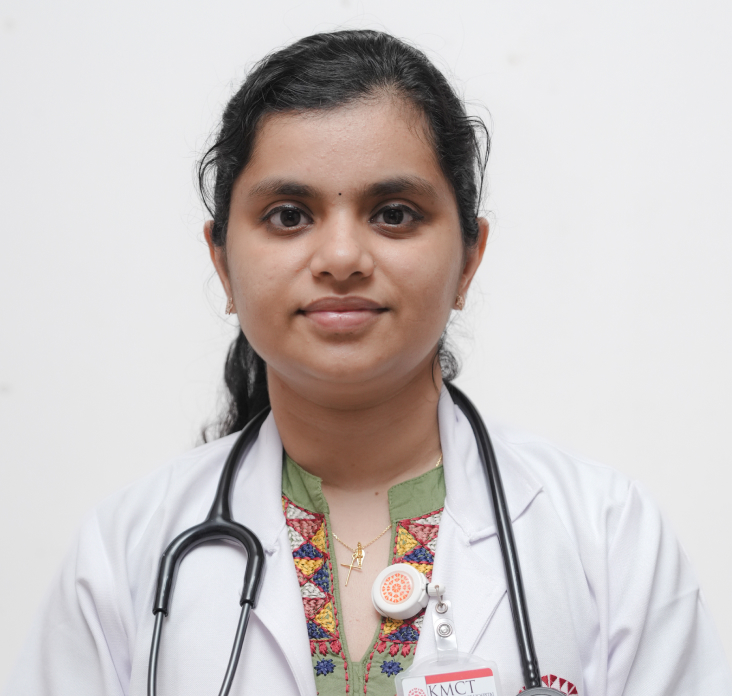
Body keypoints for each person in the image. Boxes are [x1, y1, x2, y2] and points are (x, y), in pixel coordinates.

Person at [3, 29, 730, 696]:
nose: (343, 257)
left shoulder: (607, 536)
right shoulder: (126, 551)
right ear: (222, 263)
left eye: (394, 214)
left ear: (469, 259)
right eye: (289, 215)